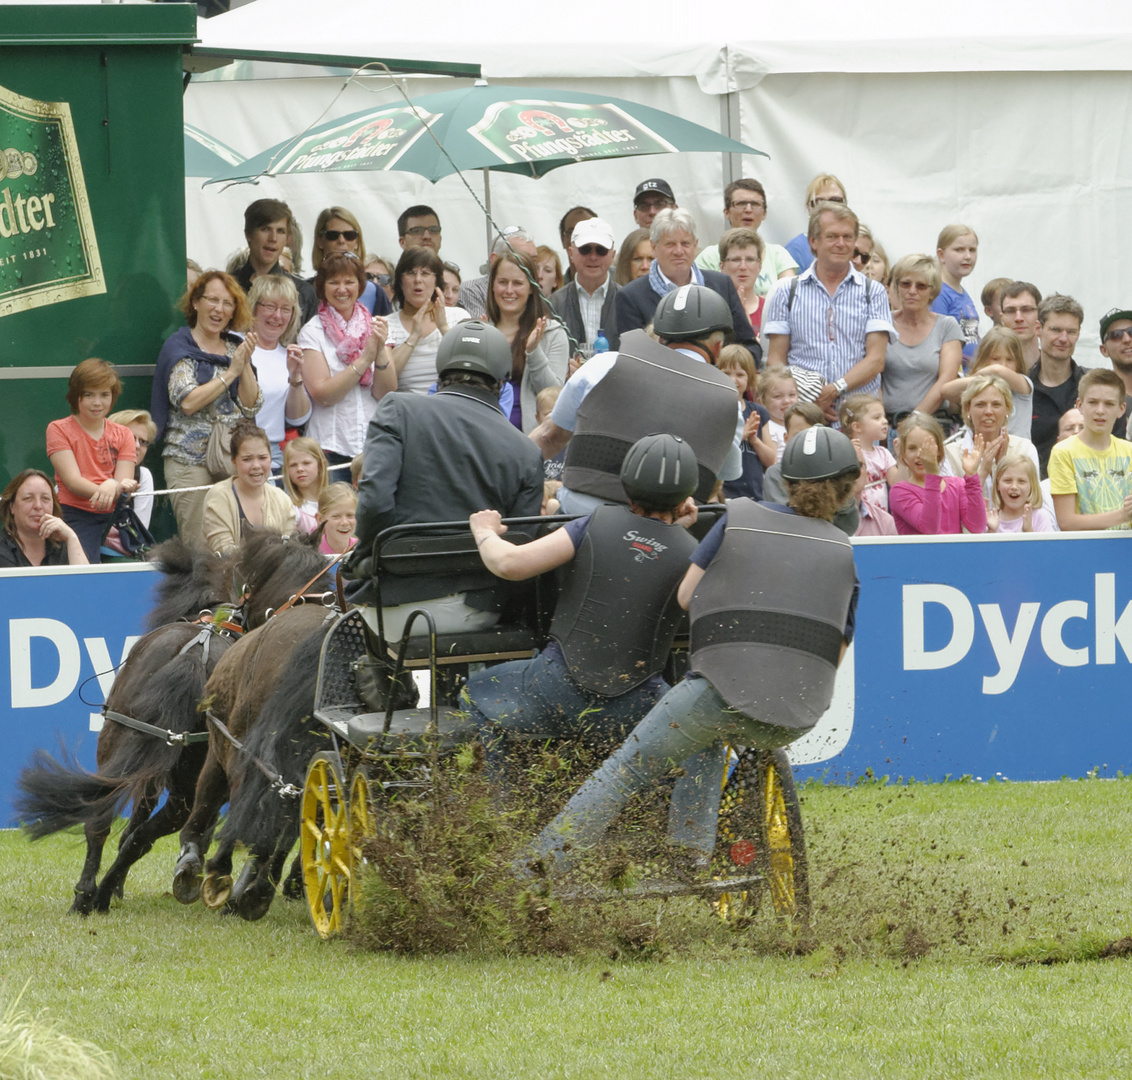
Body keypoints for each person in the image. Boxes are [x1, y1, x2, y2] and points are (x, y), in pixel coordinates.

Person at [522, 426, 861, 878]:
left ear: (785, 480)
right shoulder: (845, 556)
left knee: (624, 772)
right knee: (708, 738)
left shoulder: (737, 516)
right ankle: (690, 852)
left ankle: (531, 874)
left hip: (721, 691)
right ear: (848, 488)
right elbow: (834, 652)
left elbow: (686, 597)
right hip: (797, 716)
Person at [462, 434, 701, 784]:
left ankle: (498, 806)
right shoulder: (693, 551)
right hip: (637, 707)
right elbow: (651, 552)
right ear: (685, 497)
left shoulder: (591, 524)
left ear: (626, 484)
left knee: (475, 692)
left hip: (555, 691)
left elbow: (508, 564)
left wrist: (483, 531)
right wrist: (678, 532)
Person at [351, 322, 544, 640]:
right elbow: (519, 546)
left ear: (442, 369)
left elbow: (374, 503)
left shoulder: (398, 408)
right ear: (500, 381)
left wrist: (369, 560)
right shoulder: (526, 451)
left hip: (387, 609)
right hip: (474, 611)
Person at [531, 284, 745, 515]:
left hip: (576, 524)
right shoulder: (728, 401)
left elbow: (548, 438)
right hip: (664, 538)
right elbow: (722, 478)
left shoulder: (603, 364)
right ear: (718, 346)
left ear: (660, 336)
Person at [153, 270, 263, 543]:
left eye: (227, 303)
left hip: (231, 460)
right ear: (195, 303)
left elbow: (250, 407)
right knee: (200, 549)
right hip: (189, 463)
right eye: (212, 300)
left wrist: (244, 363)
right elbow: (187, 402)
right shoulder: (179, 345)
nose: (219, 309)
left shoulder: (235, 347)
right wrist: (230, 372)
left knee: (239, 543)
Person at [764, 202, 895, 420]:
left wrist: (833, 390)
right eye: (832, 236)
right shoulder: (788, 291)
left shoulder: (874, 292)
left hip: (858, 418)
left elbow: (876, 360)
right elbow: (776, 359)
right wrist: (808, 400)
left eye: (847, 237)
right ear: (813, 242)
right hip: (804, 415)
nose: (841, 244)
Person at [613, 208, 761, 365]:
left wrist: (725, 366)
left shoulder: (722, 285)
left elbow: (750, 347)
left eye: (685, 243)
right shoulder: (630, 296)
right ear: (654, 247)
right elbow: (631, 360)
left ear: (695, 245)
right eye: (670, 244)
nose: (679, 251)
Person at [297, 250, 394, 467]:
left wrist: (379, 353)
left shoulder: (376, 325)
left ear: (360, 286)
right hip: (330, 447)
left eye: (349, 282)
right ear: (322, 287)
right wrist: (364, 359)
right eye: (333, 282)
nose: (342, 289)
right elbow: (323, 395)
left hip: (373, 444)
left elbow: (386, 391)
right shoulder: (312, 332)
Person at [45, 358, 138, 563]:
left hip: (117, 517)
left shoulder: (124, 434)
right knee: (84, 572)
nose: (97, 402)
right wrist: (107, 489)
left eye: (104, 395)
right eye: (89, 395)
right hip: (75, 515)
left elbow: (124, 481)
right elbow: (72, 480)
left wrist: (113, 484)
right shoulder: (58, 429)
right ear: (75, 396)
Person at [484, 250, 569, 433]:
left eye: (517, 283)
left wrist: (533, 351)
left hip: (530, 440)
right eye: (502, 282)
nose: (509, 290)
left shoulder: (553, 333)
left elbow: (554, 395)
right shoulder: (482, 330)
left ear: (531, 288)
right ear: (492, 286)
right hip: (485, 435)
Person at [880, 254, 964, 432]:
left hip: (932, 424)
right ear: (897, 287)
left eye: (921, 286)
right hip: (886, 424)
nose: (912, 291)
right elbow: (873, 375)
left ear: (932, 291)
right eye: (905, 284)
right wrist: (880, 418)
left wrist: (914, 420)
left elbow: (946, 380)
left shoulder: (947, 326)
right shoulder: (882, 323)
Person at [1048, 367, 1132, 531]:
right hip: (1085, 550)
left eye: (1109, 404)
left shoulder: (1129, 451)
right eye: (1093, 402)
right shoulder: (1063, 452)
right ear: (1080, 405)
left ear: (1121, 409)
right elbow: (1067, 522)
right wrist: (1124, 515)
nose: (1100, 411)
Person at [762, 402, 861, 536]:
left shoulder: (836, 472)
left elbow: (848, 525)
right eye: (799, 435)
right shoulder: (776, 474)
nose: (806, 442)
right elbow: (784, 521)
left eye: (812, 436)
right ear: (786, 438)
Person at [244, 275, 311, 468]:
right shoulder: (234, 345)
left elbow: (297, 418)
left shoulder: (289, 355)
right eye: (270, 307)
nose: (277, 316)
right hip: (237, 451)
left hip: (273, 454)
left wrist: (295, 378)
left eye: (285, 309)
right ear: (254, 307)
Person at [386, 246, 472, 397]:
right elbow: (384, 383)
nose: (418, 280)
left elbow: (470, 367)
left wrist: (444, 327)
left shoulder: (458, 316)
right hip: (406, 411)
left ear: (437, 282)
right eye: (411, 273)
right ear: (400, 281)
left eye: (425, 273)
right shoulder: (386, 324)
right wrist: (413, 337)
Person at [201, 421, 298, 555]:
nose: (256, 465)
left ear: (271, 458)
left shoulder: (283, 500)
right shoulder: (219, 496)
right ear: (234, 462)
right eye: (247, 459)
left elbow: (291, 550)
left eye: (263, 458)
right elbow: (224, 552)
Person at [940, 375, 1038, 502]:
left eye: (996, 405)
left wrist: (1001, 466)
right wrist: (984, 470)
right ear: (968, 409)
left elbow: (1033, 500)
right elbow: (950, 506)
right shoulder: (949, 453)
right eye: (980, 405)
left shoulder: (1024, 449)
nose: (988, 411)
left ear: (1007, 409)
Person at [890, 413, 990, 535]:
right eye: (912, 448)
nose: (920, 454)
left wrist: (971, 476)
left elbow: (977, 526)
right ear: (903, 453)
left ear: (939, 450)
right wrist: (932, 474)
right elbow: (930, 529)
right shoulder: (899, 491)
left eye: (928, 447)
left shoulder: (956, 484)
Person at [694, 179, 798, 293]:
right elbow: (699, 299)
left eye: (755, 204)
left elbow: (789, 297)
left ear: (764, 213)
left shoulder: (778, 255)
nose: (748, 210)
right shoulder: (708, 257)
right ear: (726, 212)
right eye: (741, 203)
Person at [231, 198, 317, 324]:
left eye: (280, 231)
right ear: (248, 234)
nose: (273, 238)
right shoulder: (228, 287)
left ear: (287, 238)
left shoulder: (304, 293)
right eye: (265, 229)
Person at [939, 326, 1033, 440]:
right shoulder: (977, 384)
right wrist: (979, 383)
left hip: (1015, 452)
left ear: (1018, 362)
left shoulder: (1023, 385)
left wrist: (982, 375)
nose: (1003, 365)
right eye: (995, 358)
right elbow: (945, 391)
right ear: (983, 359)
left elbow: (997, 371)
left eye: (1009, 359)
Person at [550, 217, 620, 357]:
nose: (593, 257)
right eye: (585, 249)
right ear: (571, 254)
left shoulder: (628, 301)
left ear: (612, 255)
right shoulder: (553, 304)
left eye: (601, 250)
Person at [308, 206, 392, 317]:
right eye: (332, 235)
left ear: (357, 242)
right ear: (320, 241)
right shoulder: (304, 290)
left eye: (349, 235)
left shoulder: (374, 293)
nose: (341, 241)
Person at [717, 345, 774, 500]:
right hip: (724, 494)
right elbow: (714, 452)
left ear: (749, 379)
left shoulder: (758, 412)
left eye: (740, 374)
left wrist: (755, 440)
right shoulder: (715, 408)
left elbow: (772, 460)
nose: (733, 380)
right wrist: (741, 435)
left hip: (754, 494)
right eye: (726, 373)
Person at [0, 469, 87, 567]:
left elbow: (85, 581)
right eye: (28, 498)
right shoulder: (3, 548)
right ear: (12, 507)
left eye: (45, 499)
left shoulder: (63, 546)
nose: (38, 506)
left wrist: (72, 538)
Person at [458, 227, 538, 318]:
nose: (531, 267)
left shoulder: (539, 290)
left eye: (534, 260)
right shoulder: (471, 290)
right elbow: (481, 328)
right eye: (521, 259)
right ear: (494, 259)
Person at [931, 224, 981, 365]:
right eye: (959, 250)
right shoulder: (938, 293)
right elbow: (936, 345)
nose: (967, 256)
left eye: (972, 250)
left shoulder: (962, 291)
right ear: (941, 255)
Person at [784, 172, 848, 271]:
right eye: (819, 202)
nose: (827, 206)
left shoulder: (858, 243)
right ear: (808, 208)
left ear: (845, 204)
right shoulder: (796, 249)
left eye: (835, 200)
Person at [986, 454, 1056, 533]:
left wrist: (1029, 531)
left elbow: (1045, 545)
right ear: (998, 484)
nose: (1014, 487)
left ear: (1031, 486)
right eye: (1008, 481)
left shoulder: (1039, 517)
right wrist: (991, 531)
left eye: (1021, 481)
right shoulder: (990, 518)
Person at [717, 228, 767, 332]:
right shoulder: (712, 309)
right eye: (736, 260)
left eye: (750, 260)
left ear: (760, 266)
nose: (743, 267)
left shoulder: (770, 309)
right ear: (722, 266)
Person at [283, 436, 329, 535]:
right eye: (293, 465)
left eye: (306, 463)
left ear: (321, 465)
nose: (300, 469)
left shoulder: (336, 499)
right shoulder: (291, 508)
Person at [757, 366, 799, 462]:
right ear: (762, 402)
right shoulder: (768, 427)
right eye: (778, 396)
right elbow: (772, 462)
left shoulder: (801, 423)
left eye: (792, 395)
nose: (787, 401)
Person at [1000, 281, 1043, 368]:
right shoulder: (990, 372)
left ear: (1041, 315)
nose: (1018, 318)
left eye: (1026, 310)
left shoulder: (1058, 369)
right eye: (1010, 311)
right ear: (1002, 319)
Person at [315, 482, 358, 558]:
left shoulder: (361, 549)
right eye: (336, 516)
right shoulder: (313, 551)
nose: (344, 522)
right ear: (320, 519)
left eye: (350, 515)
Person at [1099, 306, 1132, 404]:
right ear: (1104, 350)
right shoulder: (1100, 401)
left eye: (1131, 332)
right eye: (1116, 335)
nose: (1127, 339)